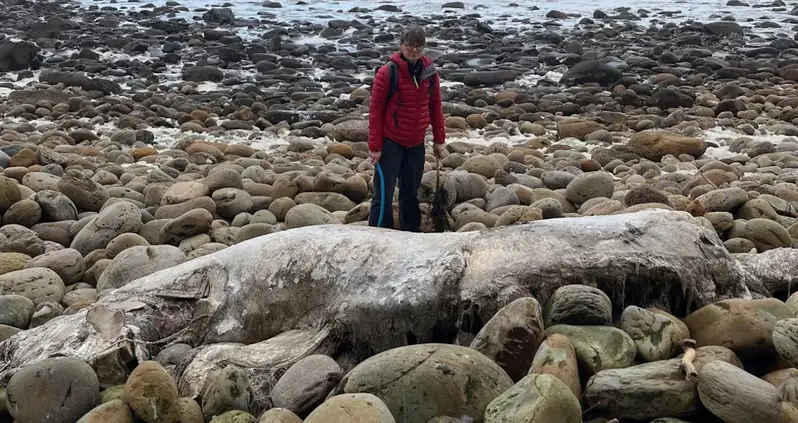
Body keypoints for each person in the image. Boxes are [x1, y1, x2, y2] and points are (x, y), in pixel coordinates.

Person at [367, 23, 446, 232]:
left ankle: (410, 233)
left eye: (419, 46)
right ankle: (376, 234)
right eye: (410, 45)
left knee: (410, 193)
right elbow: (375, 110)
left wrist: (439, 140)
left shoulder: (429, 73)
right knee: (383, 193)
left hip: (416, 142)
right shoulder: (387, 72)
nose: (414, 51)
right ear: (401, 45)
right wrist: (375, 146)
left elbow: (435, 106)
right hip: (390, 141)